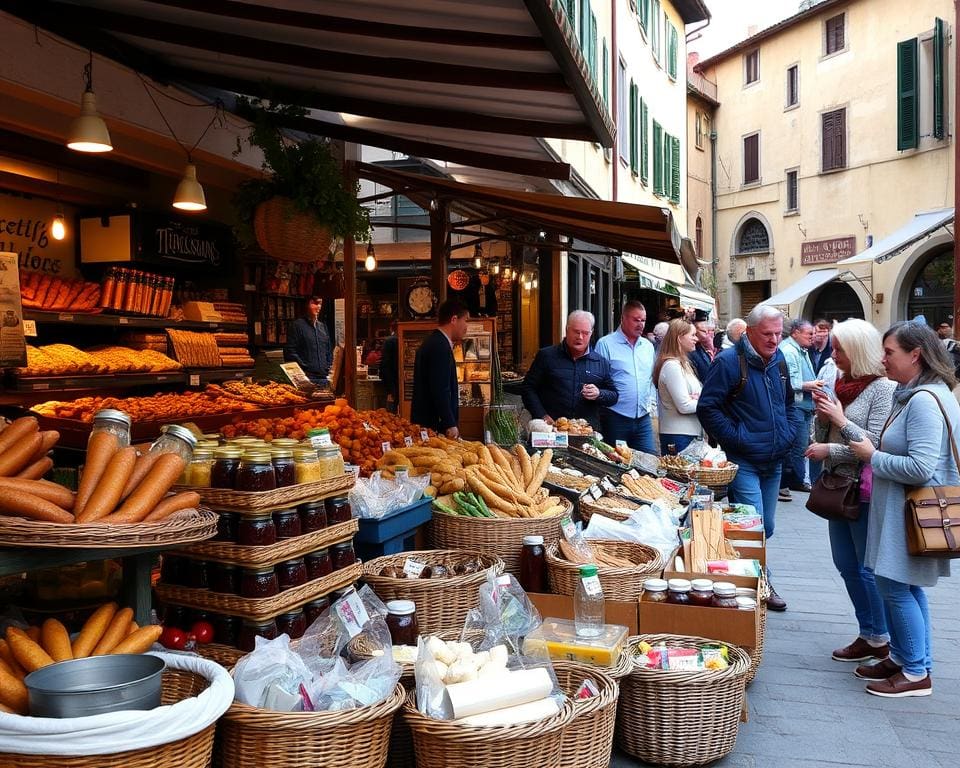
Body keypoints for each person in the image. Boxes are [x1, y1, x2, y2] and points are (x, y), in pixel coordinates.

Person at [847, 321, 958, 697]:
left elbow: (921, 467)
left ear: (916, 355)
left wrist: (873, 456)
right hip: (901, 510)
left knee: (894, 587)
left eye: (890, 352)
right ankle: (909, 658)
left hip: (908, 511)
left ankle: (914, 673)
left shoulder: (925, 400)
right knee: (905, 586)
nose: (883, 359)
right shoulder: (918, 394)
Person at [804, 319, 896, 665]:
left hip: (862, 488)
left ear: (858, 350)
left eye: (840, 349)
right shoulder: (842, 383)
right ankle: (868, 631)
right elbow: (823, 433)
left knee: (864, 566)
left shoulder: (882, 388)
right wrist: (823, 417)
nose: (833, 353)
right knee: (845, 563)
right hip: (836, 485)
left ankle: (879, 636)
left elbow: (874, 443)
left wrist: (838, 428)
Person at [697, 304, 801, 611]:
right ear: (750, 332)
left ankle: (742, 573)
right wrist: (736, 438)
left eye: (779, 334)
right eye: (768, 334)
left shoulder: (779, 359)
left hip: (774, 458)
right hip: (745, 460)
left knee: (766, 526)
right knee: (751, 527)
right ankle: (761, 585)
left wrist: (790, 430)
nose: (774, 340)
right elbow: (708, 407)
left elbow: (789, 401)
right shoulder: (729, 362)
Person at [522, 310, 617, 431]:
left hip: (585, 433)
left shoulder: (600, 362)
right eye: (576, 332)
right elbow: (528, 388)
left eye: (585, 333)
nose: (580, 337)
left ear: (591, 333)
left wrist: (599, 394)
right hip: (551, 429)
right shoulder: (546, 356)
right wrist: (541, 415)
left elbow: (614, 396)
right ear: (567, 329)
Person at [595, 301, 657, 453]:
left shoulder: (648, 346)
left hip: (643, 417)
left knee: (649, 463)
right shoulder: (606, 344)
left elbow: (650, 379)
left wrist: (652, 402)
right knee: (616, 464)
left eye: (643, 320)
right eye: (636, 319)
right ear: (623, 318)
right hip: (615, 416)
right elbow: (598, 380)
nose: (640, 324)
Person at [778, 319, 823, 501]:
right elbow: (792, 383)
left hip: (803, 405)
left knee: (800, 445)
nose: (813, 338)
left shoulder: (800, 350)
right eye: (809, 334)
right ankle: (792, 481)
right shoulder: (789, 351)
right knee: (797, 446)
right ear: (795, 332)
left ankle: (793, 480)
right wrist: (811, 385)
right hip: (796, 406)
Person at [411, 300, 469, 438]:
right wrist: (449, 422)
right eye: (466, 320)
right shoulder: (439, 346)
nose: (467, 326)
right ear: (454, 319)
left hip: (429, 422)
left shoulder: (435, 342)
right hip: (433, 425)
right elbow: (440, 388)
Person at [654, 319, 702, 455]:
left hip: (687, 434)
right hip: (678, 436)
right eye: (692, 335)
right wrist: (705, 402)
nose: (696, 339)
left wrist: (698, 399)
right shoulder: (672, 366)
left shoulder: (682, 364)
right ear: (679, 338)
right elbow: (684, 405)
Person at [284, 295, 332, 385]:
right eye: (315, 303)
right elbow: (290, 352)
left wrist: (328, 366)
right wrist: (305, 367)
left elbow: (328, 350)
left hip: (324, 377)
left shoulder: (322, 327)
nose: (318, 306)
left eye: (320, 303)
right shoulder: (297, 325)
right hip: (306, 377)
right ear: (307, 305)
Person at [687, 311, 716, 382]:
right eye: (703, 331)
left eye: (709, 331)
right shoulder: (691, 350)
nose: (707, 334)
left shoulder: (703, 347)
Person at [379, 321, 399, 413]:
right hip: (401, 378)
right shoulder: (401, 338)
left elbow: (385, 363)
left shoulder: (389, 341)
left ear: (391, 328)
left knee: (391, 408)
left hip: (391, 378)